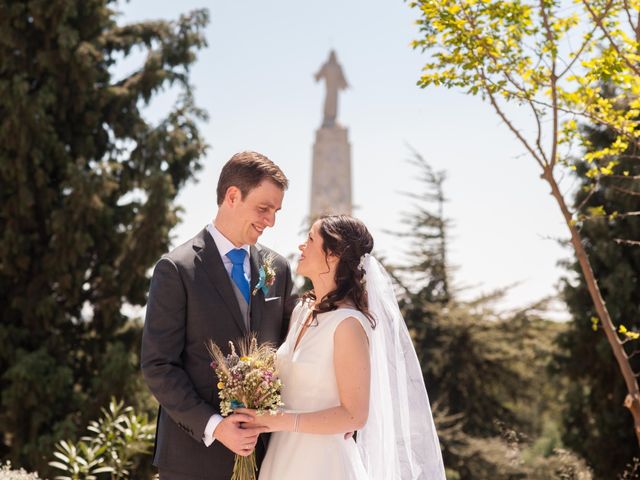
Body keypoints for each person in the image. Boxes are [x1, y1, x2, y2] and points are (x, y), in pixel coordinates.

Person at [238, 214, 446, 479]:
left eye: (311, 239)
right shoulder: (303, 310)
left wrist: (279, 420)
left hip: (324, 464)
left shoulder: (348, 324)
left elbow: (355, 416)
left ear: (333, 254)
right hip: (281, 458)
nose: (302, 246)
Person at [141, 151, 297, 480]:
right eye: (264, 208)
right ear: (232, 196)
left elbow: (290, 351)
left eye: (276, 211)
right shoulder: (176, 269)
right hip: (193, 459)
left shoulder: (278, 269)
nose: (271, 221)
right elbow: (158, 366)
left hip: (268, 457)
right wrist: (216, 427)